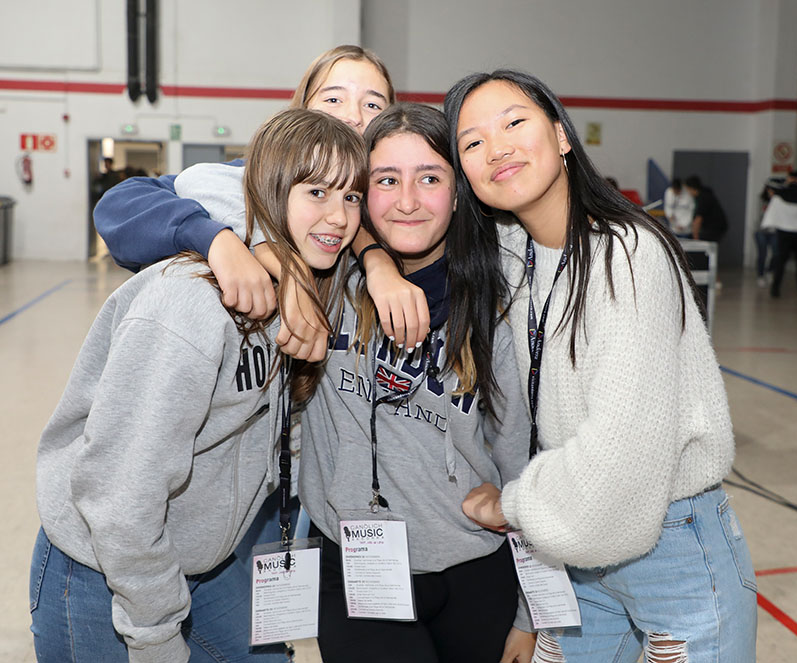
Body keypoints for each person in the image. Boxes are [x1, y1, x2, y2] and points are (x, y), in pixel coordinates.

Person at [365, 70, 753, 662]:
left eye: (514, 123)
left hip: (669, 544)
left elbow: (621, 452)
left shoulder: (627, 256)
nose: (497, 148)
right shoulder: (509, 252)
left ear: (562, 135)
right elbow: (367, 214)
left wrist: (509, 505)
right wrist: (375, 263)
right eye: (473, 142)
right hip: (570, 547)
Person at [172, 102, 534, 663]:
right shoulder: (324, 275)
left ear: (460, 193)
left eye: (430, 179)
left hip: (475, 566)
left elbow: (518, 455)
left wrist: (531, 613)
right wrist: (259, 253)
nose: (408, 201)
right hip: (353, 569)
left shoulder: (494, 303)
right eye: (386, 180)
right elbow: (194, 185)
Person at [30, 109, 367, 663]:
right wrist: (155, 635)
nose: (339, 216)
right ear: (269, 190)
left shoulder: (305, 287)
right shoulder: (189, 306)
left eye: (352, 197)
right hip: (105, 573)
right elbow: (121, 497)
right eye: (317, 192)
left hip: (205, 562)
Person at [94, 44, 395, 361]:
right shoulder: (252, 179)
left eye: (373, 105)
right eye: (333, 99)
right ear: (302, 108)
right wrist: (219, 240)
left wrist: (378, 261)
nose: (353, 117)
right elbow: (121, 204)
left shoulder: (395, 202)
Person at [761, 170, 797, 298]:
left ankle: (775, 289)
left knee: (781, 261)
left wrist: (787, 182)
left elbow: (769, 183)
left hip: (784, 232)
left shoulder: (780, 195)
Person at [684, 175, 728, 243]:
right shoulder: (704, 194)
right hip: (714, 227)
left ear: (692, 188)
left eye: (688, 190)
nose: (688, 193)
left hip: (714, 227)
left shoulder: (703, 197)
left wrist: (695, 238)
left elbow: (698, 219)